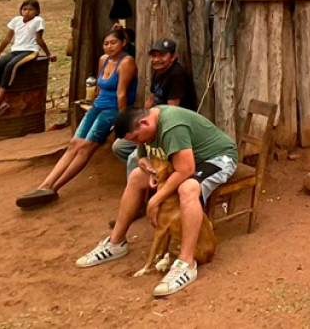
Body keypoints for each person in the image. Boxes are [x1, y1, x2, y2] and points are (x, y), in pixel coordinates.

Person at [76, 105, 238, 297]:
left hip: (218, 158)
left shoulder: (171, 126)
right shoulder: (146, 125)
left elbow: (185, 170)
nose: (136, 142)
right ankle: (115, 243)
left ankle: (186, 263)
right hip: (187, 160)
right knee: (136, 176)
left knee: (187, 189)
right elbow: (142, 157)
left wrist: (154, 200)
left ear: (144, 123)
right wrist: (148, 167)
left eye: (136, 138)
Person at [16, 30, 136, 209]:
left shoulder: (126, 62)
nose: (109, 47)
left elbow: (121, 93)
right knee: (74, 143)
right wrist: (93, 103)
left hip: (111, 110)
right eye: (106, 43)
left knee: (86, 147)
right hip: (97, 106)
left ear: (123, 43)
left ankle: (55, 187)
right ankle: (44, 186)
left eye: (113, 43)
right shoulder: (104, 59)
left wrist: (122, 120)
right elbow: (99, 87)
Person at [113, 38, 197, 172]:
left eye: (162, 55)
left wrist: (148, 133)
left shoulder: (176, 75)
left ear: (174, 56)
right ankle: (153, 172)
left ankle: (144, 180)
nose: (156, 59)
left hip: (166, 127)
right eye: (154, 55)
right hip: (151, 121)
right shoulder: (159, 72)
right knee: (119, 147)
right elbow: (151, 99)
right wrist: (135, 120)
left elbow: (172, 111)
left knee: (133, 159)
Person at [0, 0, 55, 117]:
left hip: (30, 51)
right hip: (15, 50)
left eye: (31, 10)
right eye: (24, 9)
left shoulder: (38, 21)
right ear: (21, 10)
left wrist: (48, 54)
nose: (27, 12)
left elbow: (39, 39)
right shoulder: (16, 20)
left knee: (11, 66)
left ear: (37, 11)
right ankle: (2, 102)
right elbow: (7, 39)